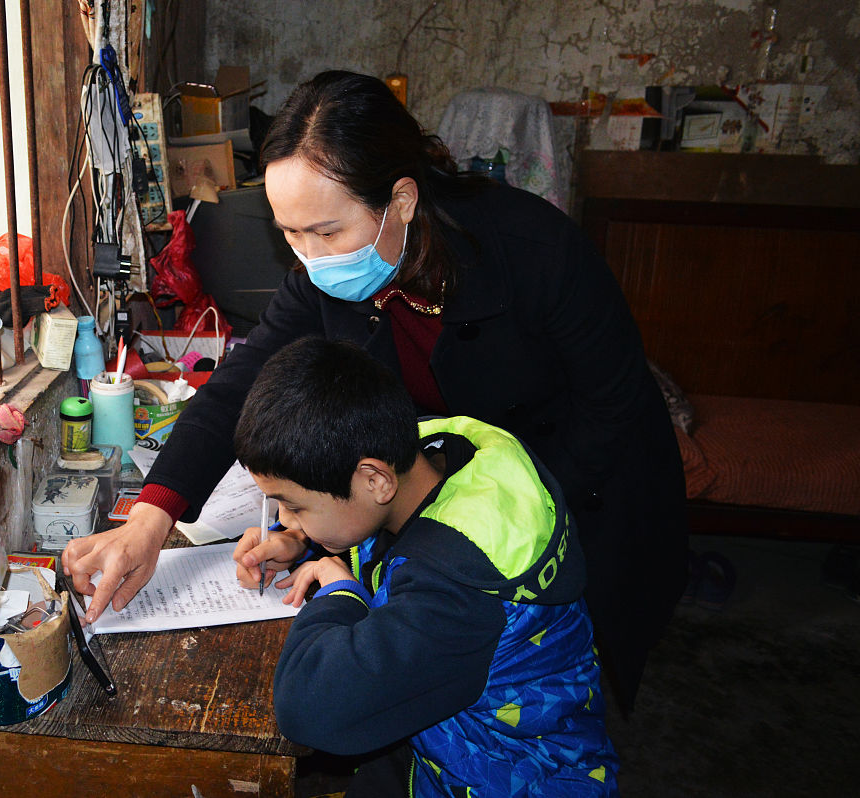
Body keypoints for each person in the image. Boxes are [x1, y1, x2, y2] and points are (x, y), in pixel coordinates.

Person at [63, 69, 688, 712]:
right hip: (453, 493)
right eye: (290, 234)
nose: (309, 256)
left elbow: (610, 410)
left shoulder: (535, 252)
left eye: (328, 232)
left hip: (576, 488)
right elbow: (237, 389)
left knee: (550, 695)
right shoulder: (329, 273)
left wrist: (448, 541)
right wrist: (149, 520)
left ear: (403, 202)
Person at [232, 336, 618, 796]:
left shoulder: (458, 593)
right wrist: (302, 541)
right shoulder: (432, 454)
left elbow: (309, 710)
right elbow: (374, 529)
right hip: (442, 745)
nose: (282, 519)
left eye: (292, 505)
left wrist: (340, 593)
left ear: (375, 479)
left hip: (504, 780)